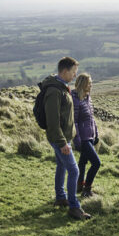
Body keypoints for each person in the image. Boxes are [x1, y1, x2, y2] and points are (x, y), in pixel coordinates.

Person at [41, 57, 91, 220]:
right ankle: (74, 207)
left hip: (63, 136)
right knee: (74, 170)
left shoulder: (62, 87)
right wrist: (63, 143)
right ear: (64, 71)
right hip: (59, 138)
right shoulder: (54, 91)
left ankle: (61, 198)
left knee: (62, 167)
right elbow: (53, 121)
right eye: (73, 72)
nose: (75, 76)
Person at [72, 73, 100, 198]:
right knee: (96, 163)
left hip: (90, 135)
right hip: (83, 138)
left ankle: (79, 185)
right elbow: (74, 121)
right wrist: (77, 140)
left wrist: (96, 134)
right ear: (83, 84)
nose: (91, 85)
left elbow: (92, 118)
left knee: (83, 162)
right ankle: (87, 190)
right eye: (89, 83)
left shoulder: (87, 98)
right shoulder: (75, 99)